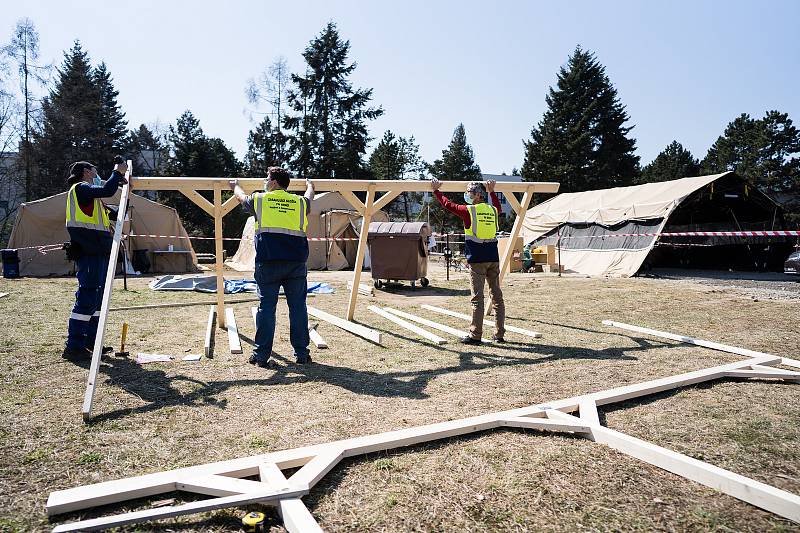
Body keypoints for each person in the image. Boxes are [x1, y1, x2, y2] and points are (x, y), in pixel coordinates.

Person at [229, 167, 315, 367]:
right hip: (296, 264)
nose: (265, 182)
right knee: (298, 308)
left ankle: (261, 356)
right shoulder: (299, 202)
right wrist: (311, 185)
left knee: (266, 309)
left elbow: (241, 198)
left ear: (274, 182)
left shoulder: (261, 199)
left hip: (269, 263)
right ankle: (302, 354)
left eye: (267, 179)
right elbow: (309, 198)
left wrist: (235, 186)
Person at [63, 159, 129, 359]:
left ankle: (93, 342)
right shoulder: (81, 189)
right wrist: (117, 172)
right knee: (87, 297)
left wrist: (128, 195)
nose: (97, 174)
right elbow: (108, 190)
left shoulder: (94, 201)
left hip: (99, 252)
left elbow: (118, 215)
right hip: (89, 252)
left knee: (98, 300)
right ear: (86, 172)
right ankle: (74, 346)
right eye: (95, 170)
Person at [431, 178, 505, 345]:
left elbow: (448, 205)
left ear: (478, 195)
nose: (466, 195)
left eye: (469, 192)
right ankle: (499, 334)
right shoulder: (493, 210)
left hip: (477, 260)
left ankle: (475, 335)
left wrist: (436, 191)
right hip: (493, 257)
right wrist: (492, 191)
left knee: (477, 298)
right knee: (497, 297)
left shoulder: (469, 211)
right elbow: (498, 207)